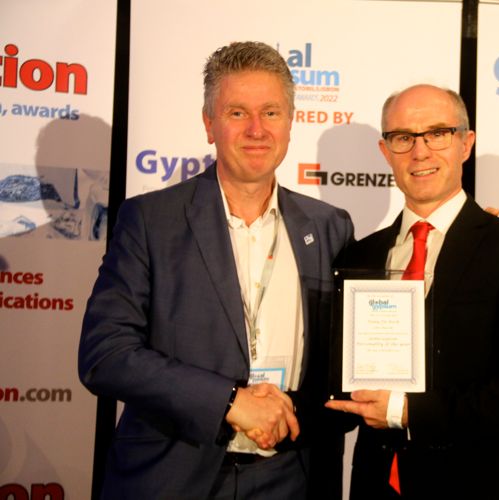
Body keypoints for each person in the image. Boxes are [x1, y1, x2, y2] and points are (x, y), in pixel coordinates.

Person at [78, 41, 353, 499]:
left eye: (270, 112)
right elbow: (105, 353)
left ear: (290, 122)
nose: (256, 130)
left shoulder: (330, 227)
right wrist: (229, 402)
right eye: (237, 113)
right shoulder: (151, 220)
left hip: (292, 476)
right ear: (209, 124)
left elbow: (348, 358)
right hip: (173, 475)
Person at [326, 84, 499, 499]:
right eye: (403, 137)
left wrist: (409, 412)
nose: (420, 151)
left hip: (478, 487)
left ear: (465, 144)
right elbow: (342, 383)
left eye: (437, 133)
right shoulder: (360, 256)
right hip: (375, 487)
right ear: (385, 151)